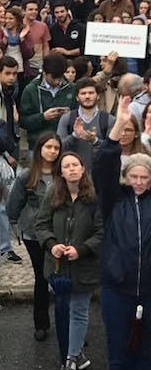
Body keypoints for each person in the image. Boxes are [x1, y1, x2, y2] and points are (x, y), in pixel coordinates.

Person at [91, 96, 151, 369]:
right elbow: (104, 162)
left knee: (146, 357)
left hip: (149, 291)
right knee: (119, 356)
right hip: (117, 289)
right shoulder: (113, 200)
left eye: (145, 177)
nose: (138, 182)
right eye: (134, 176)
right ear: (126, 176)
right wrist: (120, 123)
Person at [34, 150, 103, 369]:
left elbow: (102, 232)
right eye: (67, 166)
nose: (72, 169)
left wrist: (81, 250)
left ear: (83, 169)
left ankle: (71, 358)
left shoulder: (95, 196)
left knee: (79, 311)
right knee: (64, 311)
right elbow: (41, 225)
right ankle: (75, 353)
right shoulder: (53, 194)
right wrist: (52, 245)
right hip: (59, 268)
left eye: (76, 165)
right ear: (61, 172)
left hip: (85, 267)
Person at [7, 133, 61, 341]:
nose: (52, 151)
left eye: (56, 148)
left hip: (60, 232)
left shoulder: (63, 173)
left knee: (63, 278)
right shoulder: (27, 176)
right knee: (42, 277)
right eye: (49, 147)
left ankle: (69, 323)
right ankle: (41, 324)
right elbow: (13, 204)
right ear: (39, 149)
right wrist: (15, 223)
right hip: (33, 234)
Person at [19, 53, 75, 155]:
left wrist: (70, 115)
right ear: (44, 73)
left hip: (65, 146)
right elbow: (23, 121)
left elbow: (80, 117)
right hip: (38, 147)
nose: (58, 81)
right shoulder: (31, 90)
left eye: (60, 77)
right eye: (54, 78)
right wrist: (43, 117)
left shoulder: (72, 88)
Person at [57, 77, 115, 171]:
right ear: (77, 97)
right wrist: (74, 135)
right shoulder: (67, 118)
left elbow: (113, 149)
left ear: (98, 96)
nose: (87, 96)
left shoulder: (109, 120)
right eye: (83, 93)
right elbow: (59, 147)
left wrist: (95, 140)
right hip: (73, 173)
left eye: (91, 93)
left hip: (101, 173)